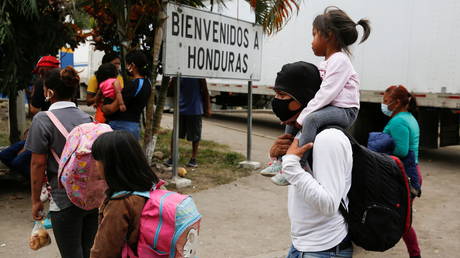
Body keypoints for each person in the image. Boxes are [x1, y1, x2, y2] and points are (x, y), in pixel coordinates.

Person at [263, 7, 371, 187]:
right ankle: (281, 160)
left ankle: (299, 164)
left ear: (328, 35)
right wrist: (296, 118)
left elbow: (327, 92)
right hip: (331, 107)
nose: (311, 42)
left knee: (310, 119)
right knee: (294, 120)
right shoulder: (326, 62)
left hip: (344, 110)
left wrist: (304, 115)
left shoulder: (339, 60)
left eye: (314, 35)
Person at [269, 61, 353, 257]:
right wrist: (276, 158)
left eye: (282, 96)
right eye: (275, 95)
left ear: (303, 98)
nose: (276, 101)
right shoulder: (303, 133)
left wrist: (291, 164)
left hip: (324, 249)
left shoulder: (328, 139)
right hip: (301, 245)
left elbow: (329, 205)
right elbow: (297, 180)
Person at [90, 131, 202, 257]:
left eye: (98, 160)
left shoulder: (120, 203)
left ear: (111, 165)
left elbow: (104, 251)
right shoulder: (152, 186)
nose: (95, 165)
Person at [25, 66, 97, 258]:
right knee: (89, 251)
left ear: (49, 92)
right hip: (92, 198)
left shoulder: (43, 119)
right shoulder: (88, 118)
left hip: (63, 199)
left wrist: (35, 201)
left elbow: (37, 164)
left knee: (72, 253)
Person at [381, 85, 422, 258]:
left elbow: (402, 151)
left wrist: (380, 152)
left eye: (386, 101)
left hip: (404, 175)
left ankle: (415, 254)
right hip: (410, 173)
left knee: (403, 220)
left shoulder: (399, 121)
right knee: (396, 215)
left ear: (397, 103)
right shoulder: (408, 117)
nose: (383, 105)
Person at [102, 50, 151, 140]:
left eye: (127, 64)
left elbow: (111, 109)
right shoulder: (148, 83)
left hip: (120, 128)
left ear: (132, 65)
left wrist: (103, 107)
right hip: (134, 128)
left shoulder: (133, 85)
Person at [164, 77, 211, 168]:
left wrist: (207, 107)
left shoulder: (198, 75)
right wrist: (172, 81)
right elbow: (170, 92)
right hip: (180, 108)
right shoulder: (178, 74)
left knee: (195, 135)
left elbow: (205, 91)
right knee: (176, 133)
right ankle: (172, 158)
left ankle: (193, 158)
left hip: (195, 109)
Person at [86, 52, 124, 123]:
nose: (118, 66)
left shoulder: (119, 78)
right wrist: (99, 99)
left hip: (117, 116)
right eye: (115, 63)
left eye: (119, 64)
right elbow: (88, 102)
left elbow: (120, 94)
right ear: (106, 64)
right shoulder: (94, 79)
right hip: (102, 115)